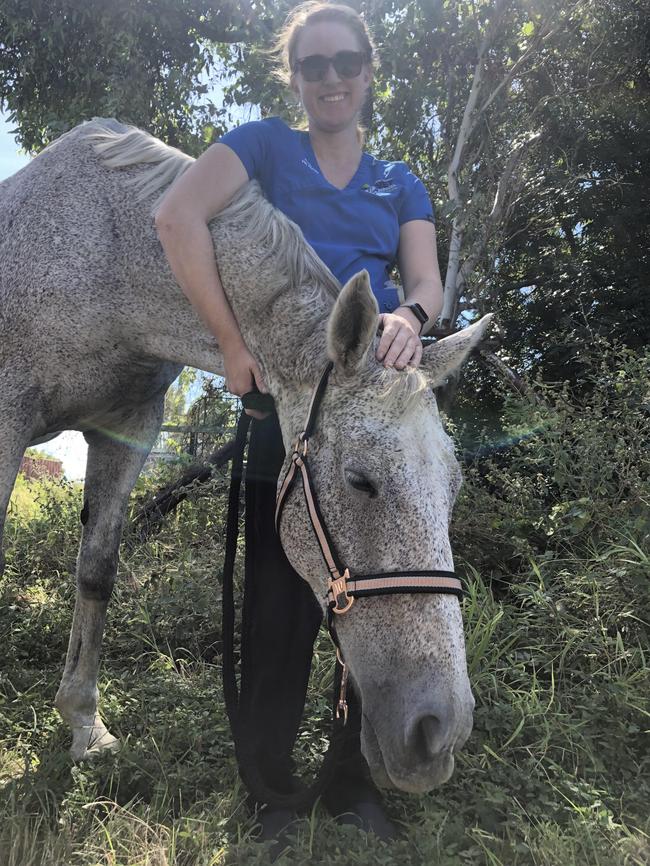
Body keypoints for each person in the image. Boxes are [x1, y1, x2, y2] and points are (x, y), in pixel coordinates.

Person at [154, 0, 444, 842]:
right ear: (295, 77)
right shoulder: (264, 148)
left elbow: (425, 283)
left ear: (367, 70)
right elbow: (177, 218)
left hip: (371, 422)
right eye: (313, 65)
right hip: (280, 413)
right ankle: (272, 796)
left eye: (345, 62)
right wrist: (228, 343)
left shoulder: (400, 181)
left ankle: (354, 784)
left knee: (378, 592)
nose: (331, 79)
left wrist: (410, 321)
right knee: (278, 610)